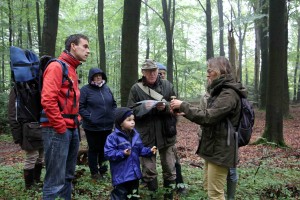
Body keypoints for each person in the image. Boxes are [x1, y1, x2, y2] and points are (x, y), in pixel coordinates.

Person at [170, 56, 246, 199]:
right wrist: (184, 111)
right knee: (209, 188)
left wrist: (183, 105)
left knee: (215, 194)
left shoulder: (228, 93)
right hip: (213, 147)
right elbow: (207, 114)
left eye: (210, 70)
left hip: (221, 149)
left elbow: (208, 117)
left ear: (221, 70)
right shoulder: (219, 91)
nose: (207, 74)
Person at [41, 34, 90, 199]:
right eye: (85, 46)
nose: (88, 51)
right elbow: (48, 100)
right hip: (57, 129)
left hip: (71, 128)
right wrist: (60, 126)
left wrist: (76, 123)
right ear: (73, 46)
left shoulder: (72, 69)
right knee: (55, 181)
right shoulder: (56, 66)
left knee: (68, 177)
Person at [127, 59, 177, 199]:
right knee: (149, 170)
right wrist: (144, 108)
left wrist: (165, 107)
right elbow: (130, 111)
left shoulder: (167, 85)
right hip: (146, 135)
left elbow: (176, 107)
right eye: (148, 71)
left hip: (166, 133)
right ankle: (153, 196)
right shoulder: (136, 88)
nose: (152, 74)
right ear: (143, 72)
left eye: (154, 70)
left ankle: (169, 197)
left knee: (170, 168)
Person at [104, 107, 157, 200]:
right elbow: (108, 153)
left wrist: (149, 151)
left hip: (134, 174)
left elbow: (139, 150)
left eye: (133, 119)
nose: (132, 122)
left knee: (134, 196)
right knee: (119, 196)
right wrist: (122, 153)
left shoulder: (135, 135)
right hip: (121, 176)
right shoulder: (113, 137)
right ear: (120, 123)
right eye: (129, 120)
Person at [79, 67, 117, 179]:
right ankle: (94, 173)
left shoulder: (106, 88)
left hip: (107, 125)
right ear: (91, 78)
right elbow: (80, 107)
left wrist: (113, 115)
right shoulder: (85, 90)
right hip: (92, 127)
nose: (98, 77)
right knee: (94, 149)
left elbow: (113, 104)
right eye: (96, 76)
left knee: (105, 149)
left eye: (100, 75)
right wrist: (90, 118)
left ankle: (103, 171)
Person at [156, 61, 186, 194]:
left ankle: (180, 185)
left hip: (168, 129)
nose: (161, 75)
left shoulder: (169, 87)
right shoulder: (145, 87)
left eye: (163, 73)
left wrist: (168, 109)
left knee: (173, 160)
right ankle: (151, 187)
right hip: (152, 130)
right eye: (159, 73)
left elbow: (176, 106)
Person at [8, 87, 44, 190]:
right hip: (27, 129)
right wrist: (17, 135)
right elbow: (12, 114)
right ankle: (29, 185)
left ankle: (37, 180)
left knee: (40, 156)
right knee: (32, 156)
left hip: (41, 126)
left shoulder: (39, 86)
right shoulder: (17, 89)